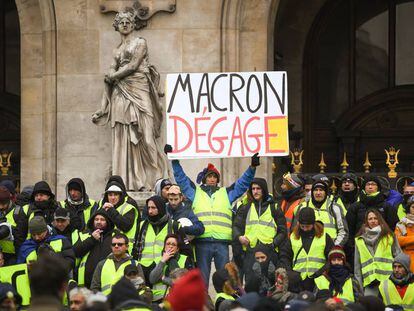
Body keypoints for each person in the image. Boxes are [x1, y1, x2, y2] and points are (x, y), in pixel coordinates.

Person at [92, 10, 167, 191]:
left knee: (147, 138)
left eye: (128, 21)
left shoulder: (140, 43)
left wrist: (113, 76)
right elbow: (108, 79)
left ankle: (155, 180)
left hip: (140, 91)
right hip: (121, 95)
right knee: (123, 137)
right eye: (121, 22)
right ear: (116, 26)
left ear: (133, 25)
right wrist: (103, 108)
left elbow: (133, 65)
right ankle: (126, 182)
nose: (125, 24)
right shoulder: (116, 50)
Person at [166, 143, 259, 284]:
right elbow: (181, 179)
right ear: (204, 178)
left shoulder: (226, 193)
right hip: (202, 242)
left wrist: (252, 167)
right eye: (209, 176)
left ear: (218, 179)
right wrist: (174, 160)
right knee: (202, 280)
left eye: (215, 176)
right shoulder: (195, 192)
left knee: (225, 280)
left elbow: (242, 184)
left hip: (222, 243)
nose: (212, 179)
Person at [233, 178, 289, 278]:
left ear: (264, 190)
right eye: (253, 189)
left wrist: (273, 244)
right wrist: (239, 237)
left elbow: (283, 230)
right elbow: (236, 226)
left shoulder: (274, 207)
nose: (255, 191)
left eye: (258, 188)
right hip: (250, 251)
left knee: (269, 282)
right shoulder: (245, 208)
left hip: (270, 252)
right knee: (251, 283)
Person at [354, 209, 401, 296]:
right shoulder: (359, 240)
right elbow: (357, 268)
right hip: (370, 283)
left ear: (379, 220)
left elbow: (399, 258)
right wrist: (360, 289)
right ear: (366, 222)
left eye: (375, 218)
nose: (373, 221)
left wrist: (398, 280)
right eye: (370, 219)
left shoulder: (389, 236)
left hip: (389, 281)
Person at [136, 196, 182, 282]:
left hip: (163, 266)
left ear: (160, 208)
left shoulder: (174, 225)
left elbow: (183, 249)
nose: (150, 211)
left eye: (153, 208)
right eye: (148, 207)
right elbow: (136, 248)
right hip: (142, 268)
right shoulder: (142, 225)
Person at [289, 207, 334, 292]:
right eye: (302, 226)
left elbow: (332, 258)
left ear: (313, 224)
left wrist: (321, 272)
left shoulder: (324, 237)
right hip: (298, 282)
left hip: (319, 282)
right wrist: (291, 274)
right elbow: (286, 257)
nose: (305, 229)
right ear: (298, 223)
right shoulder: (292, 237)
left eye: (308, 226)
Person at [294, 180, 348, 247]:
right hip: (308, 251)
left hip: (330, 251)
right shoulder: (303, 207)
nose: (318, 193)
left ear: (325, 193)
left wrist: (335, 247)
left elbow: (343, 231)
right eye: (316, 190)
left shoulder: (334, 208)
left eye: (321, 190)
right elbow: (295, 230)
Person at [347, 176, 399, 242]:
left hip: (383, 243)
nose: (370, 187)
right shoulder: (355, 207)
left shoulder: (387, 206)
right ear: (364, 187)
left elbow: (393, 227)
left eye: (373, 184)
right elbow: (349, 229)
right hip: (360, 243)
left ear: (378, 187)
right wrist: (352, 246)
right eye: (368, 184)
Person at [73, 210, 116, 289]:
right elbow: (76, 252)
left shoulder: (114, 235)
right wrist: (92, 239)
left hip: (109, 279)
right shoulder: (84, 234)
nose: (99, 222)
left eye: (102, 219)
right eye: (96, 219)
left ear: (107, 222)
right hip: (87, 281)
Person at [149, 234, 194, 302]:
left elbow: (184, 284)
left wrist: (164, 279)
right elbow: (152, 279)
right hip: (158, 300)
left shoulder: (185, 259)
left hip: (178, 300)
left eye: (173, 244)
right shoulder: (158, 260)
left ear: (177, 249)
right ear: (164, 246)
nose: (170, 246)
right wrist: (163, 261)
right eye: (168, 244)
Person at [99, 180, 139, 254]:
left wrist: (111, 210)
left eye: (115, 195)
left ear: (120, 196)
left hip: (124, 250)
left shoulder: (129, 208)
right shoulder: (103, 207)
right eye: (110, 195)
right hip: (105, 249)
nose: (113, 198)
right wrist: (101, 211)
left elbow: (125, 226)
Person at [0, 186, 26, 264]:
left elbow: (21, 238)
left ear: (9, 201)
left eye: (3, 204)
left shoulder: (18, 213)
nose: (0, 206)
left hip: (14, 256)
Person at [395, 195, 414, 272]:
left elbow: (403, 240)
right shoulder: (401, 224)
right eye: (413, 207)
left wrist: (407, 241)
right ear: (409, 208)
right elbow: (398, 241)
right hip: (407, 262)